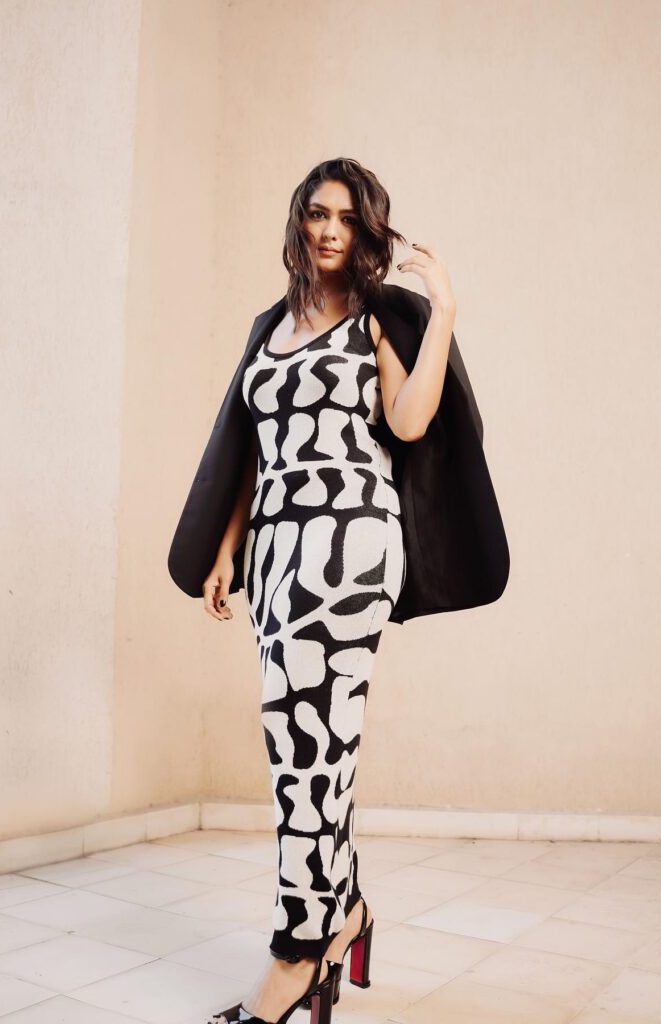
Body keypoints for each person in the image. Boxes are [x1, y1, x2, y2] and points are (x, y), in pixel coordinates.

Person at [203, 158, 458, 1024]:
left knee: (310, 756)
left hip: (347, 538)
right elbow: (250, 446)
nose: (328, 231)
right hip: (276, 550)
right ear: (298, 220)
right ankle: (343, 909)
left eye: (346, 219)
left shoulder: (375, 320)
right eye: (316, 214)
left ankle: (293, 957)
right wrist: (228, 549)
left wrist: (446, 311)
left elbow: (410, 420)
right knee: (302, 752)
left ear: (365, 232)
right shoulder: (268, 326)